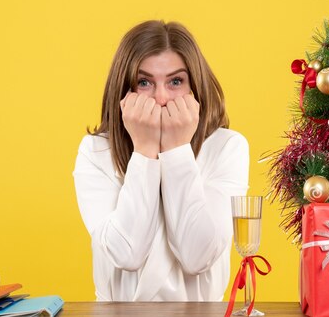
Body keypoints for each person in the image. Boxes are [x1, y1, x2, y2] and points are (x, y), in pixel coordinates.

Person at [73, 20, 249, 301]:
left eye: (175, 81)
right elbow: (126, 253)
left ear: (195, 87)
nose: (161, 97)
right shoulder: (95, 152)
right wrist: (144, 150)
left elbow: (198, 257)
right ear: (123, 90)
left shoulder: (227, 147)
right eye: (144, 83)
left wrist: (177, 150)